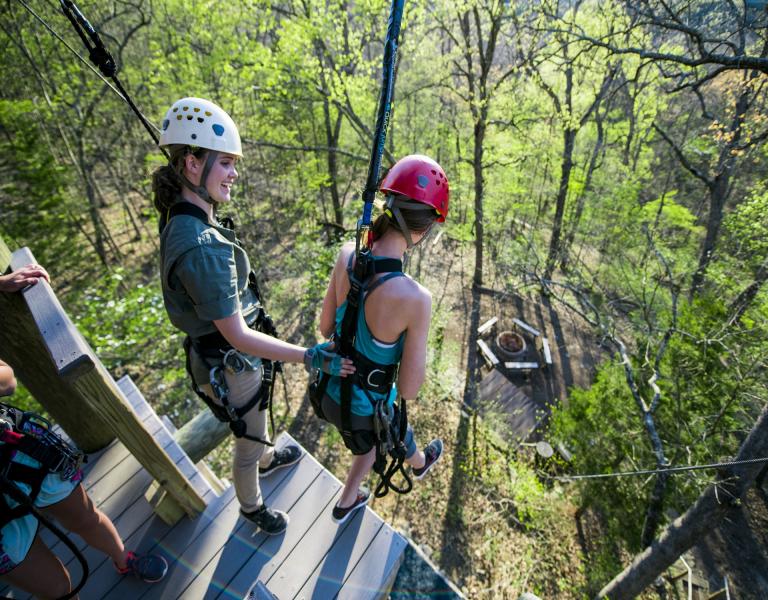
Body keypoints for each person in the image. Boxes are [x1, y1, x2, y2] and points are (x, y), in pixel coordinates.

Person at [152, 97, 355, 536]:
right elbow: (238, 335)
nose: (234, 173)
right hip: (231, 362)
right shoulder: (201, 245)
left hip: (226, 358)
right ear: (192, 165)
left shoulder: (183, 215)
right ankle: (250, 506)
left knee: (255, 426)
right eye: (224, 162)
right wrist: (310, 356)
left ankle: (265, 456)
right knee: (246, 441)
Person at [0, 267, 168, 599]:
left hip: (19, 456)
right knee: (58, 587)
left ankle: (123, 558)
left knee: (87, 518)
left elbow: (8, 378)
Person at [314, 154, 448, 523]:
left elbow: (326, 329)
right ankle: (416, 465)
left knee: (369, 447)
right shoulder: (417, 299)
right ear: (422, 231)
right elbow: (407, 390)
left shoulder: (346, 256)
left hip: (326, 392)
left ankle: (348, 499)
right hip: (363, 412)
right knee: (377, 433)